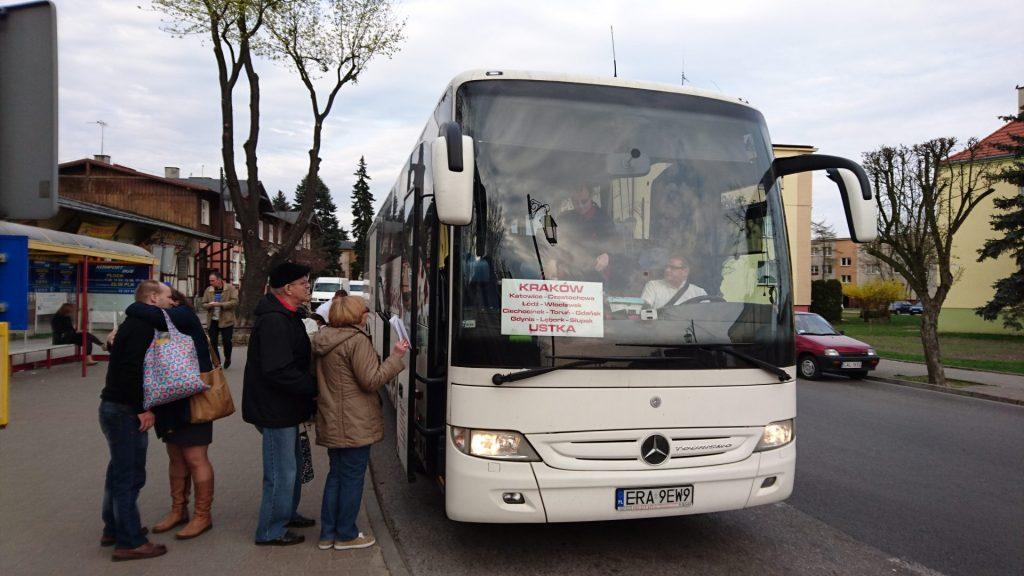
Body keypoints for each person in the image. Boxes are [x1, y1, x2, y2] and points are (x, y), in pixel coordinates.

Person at [313, 296, 408, 550]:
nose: (367, 315)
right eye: (364, 311)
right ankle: (346, 535)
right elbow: (371, 380)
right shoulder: (356, 341)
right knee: (353, 477)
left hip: (332, 417)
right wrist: (396, 357)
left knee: (336, 476)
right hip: (354, 420)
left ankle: (328, 534)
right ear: (357, 316)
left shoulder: (323, 339)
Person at [243, 262, 319, 546]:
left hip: (287, 406)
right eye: (303, 283)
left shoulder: (286, 315)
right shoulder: (275, 320)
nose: (308, 287)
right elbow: (278, 370)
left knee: (294, 467)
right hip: (275, 409)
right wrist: (314, 388)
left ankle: (286, 512)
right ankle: (270, 530)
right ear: (287, 288)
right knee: (281, 471)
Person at [98, 280, 172, 561]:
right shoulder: (143, 326)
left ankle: (114, 527)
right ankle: (129, 541)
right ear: (153, 298)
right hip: (125, 410)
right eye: (167, 296)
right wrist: (142, 408)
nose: (170, 300)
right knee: (129, 476)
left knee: (117, 471)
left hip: (113, 406)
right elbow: (132, 371)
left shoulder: (133, 321)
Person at [145, 289, 217, 540]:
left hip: (193, 399)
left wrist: (147, 301)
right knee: (175, 456)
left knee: (196, 458)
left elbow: (140, 311)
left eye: (164, 297)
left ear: (175, 301)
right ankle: (178, 510)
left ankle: (202, 514)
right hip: (169, 399)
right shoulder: (162, 323)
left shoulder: (183, 315)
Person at [641, 253, 707, 309]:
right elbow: (645, 310)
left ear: (685, 272)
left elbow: (707, 316)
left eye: (672, 268)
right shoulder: (653, 286)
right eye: (666, 267)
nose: (667, 270)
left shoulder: (699, 293)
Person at [202, 270, 238, 368]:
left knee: (227, 341)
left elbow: (235, 302)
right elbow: (203, 303)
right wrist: (209, 305)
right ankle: (217, 363)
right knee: (212, 342)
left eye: (212, 281)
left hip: (226, 320)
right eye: (210, 281)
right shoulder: (208, 290)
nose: (211, 283)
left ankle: (228, 358)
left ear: (219, 280)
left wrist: (220, 304)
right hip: (212, 320)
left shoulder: (230, 288)